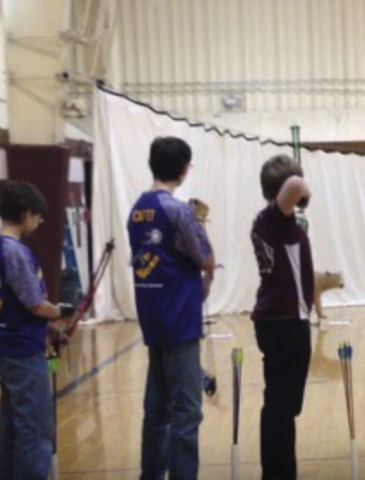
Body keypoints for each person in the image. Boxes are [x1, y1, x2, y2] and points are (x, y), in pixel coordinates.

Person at [127, 136, 215, 480]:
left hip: (153, 318)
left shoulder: (137, 209)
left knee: (157, 410)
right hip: (180, 320)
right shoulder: (178, 210)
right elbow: (207, 260)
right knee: (186, 412)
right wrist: (201, 225)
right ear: (183, 170)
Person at [0, 180, 75, 480]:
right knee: (34, 430)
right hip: (22, 351)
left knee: (13, 427)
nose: (40, 222)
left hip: (9, 347)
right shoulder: (14, 251)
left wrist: (51, 328)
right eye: (39, 216)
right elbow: (35, 304)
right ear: (26, 213)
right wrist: (62, 312)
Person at [250, 154, 313, 480]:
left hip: (289, 321)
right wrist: (303, 191)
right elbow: (296, 185)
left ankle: (281, 473)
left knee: (284, 407)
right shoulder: (272, 219)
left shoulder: (279, 222)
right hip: (282, 323)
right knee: (279, 407)